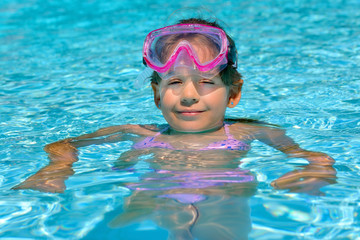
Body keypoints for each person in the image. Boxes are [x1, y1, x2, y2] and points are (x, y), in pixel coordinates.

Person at [13, 18, 336, 239]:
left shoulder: (248, 131)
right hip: (158, 203)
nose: (189, 95)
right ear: (156, 94)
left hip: (224, 204)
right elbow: (63, 144)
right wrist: (57, 168)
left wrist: (316, 173)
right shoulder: (139, 132)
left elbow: (315, 157)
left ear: (233, 93)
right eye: (175, 82)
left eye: (206, 82)